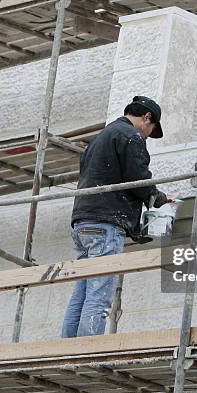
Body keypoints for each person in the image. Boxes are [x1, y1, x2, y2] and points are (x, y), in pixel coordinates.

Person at [62, 96, 168, 338]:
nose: (147, 136)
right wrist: (155, 197)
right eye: (150, 131)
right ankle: (85, 353)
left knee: (82, 292)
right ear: (147, 118)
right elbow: (138, 178)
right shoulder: (130, 136)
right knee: (98, 297)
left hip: (83, 222)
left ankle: (66, 348)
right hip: (105, 225)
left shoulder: (100, 138)